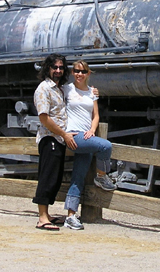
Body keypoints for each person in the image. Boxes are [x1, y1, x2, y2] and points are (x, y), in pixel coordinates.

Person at [61, 60, 116, 230]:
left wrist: (92, 129)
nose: (79, 74)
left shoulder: (92, 92)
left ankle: (70, 216)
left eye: (83, 71)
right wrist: (63, 132)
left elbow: (96, 115)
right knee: (105, 146)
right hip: (74, 136)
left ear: (88, 73)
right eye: (77, 71)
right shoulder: (67, 89)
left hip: (86, 135)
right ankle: (101, 176)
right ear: (72, 72)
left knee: (78, 176)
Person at [32, 53, 72, 231]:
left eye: (61, 68)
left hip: (59, 138)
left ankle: (47, 214)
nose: (58, 70)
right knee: (47, 176)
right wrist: (64, 134)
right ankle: (42, 218)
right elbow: (44, 118)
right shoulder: (44, 89)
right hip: (50, 137)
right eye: (54, 67)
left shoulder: (59, 89)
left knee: (55, 177)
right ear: (47, 68)